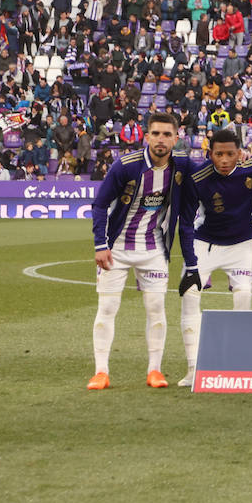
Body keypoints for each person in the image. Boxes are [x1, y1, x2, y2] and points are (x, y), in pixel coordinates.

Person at [87, 112, 190, 390]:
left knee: (156, 308)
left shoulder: (181, 166)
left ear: (176, 139)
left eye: (167, 134)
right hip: (116, 248)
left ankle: (154, 371)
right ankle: (101, 372)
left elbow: (211, 170)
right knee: (108, 307)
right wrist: (101, 244)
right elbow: (99, 205)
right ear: (146, 136)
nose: (161, 139)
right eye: (156, 133)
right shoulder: (126, 165)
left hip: (153, 247)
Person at [176, 128, 252, 386]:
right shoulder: (198, 177)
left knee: (242, 296)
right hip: (204, 243)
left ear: (240, 153)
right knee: (189, 295)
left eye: (231, 153)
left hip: (242, 245)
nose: (225, 159)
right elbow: (185, 223)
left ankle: (237, 364)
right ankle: (194, 368)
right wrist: (191, 262)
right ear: (210, 154)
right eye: (219, 154)